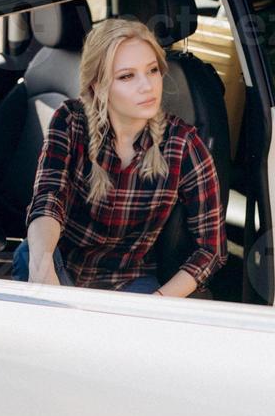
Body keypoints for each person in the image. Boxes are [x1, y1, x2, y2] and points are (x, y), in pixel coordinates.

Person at [12, 17, 227, 296]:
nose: (147, 86)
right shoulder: (70, 121)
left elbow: (212, 249)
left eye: (152, 71)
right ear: (98, 85)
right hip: (55, 263)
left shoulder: (183, 144)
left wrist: (158, 301)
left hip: (128, 280)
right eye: (127, 76)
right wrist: (42, 271)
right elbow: (48, 199)